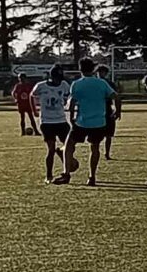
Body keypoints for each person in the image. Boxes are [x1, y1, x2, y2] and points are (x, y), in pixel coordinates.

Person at [67, 58, 117, 186]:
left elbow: (72, 103)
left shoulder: (77, 84)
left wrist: (71, 117)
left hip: (82, 121)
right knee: (94, 148)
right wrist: (118, 111)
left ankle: (66, 173)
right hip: (99, 121)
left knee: (69, 145)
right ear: (93, 69)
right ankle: (92, 176)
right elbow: (116, 97)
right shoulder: (102, 83)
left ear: (80, 69)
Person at [35, 64, 74, 183]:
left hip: (61, 120)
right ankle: (48, 175)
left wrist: (68, 103)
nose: (58, 81)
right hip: (47, 122)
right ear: (51, 77)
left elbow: (69, 96)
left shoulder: (64, 85)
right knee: (50, 149)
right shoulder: (41, 86)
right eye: (57, 78)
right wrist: (35, 109)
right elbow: (32, 95)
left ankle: (62, 152)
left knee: (70, 145)